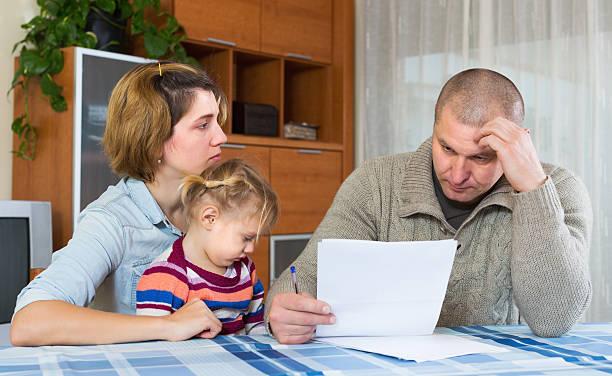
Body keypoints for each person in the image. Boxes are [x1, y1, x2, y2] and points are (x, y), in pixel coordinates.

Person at [265, 68, 593, 344]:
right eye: (447, 148)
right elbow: (300, 280)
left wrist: (533, 189)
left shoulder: (559, 190)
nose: (459, 173)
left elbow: (554, 320)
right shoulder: (375, 182)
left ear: (517, 143)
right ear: (434, 128)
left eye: (481, 157)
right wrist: (283, 313)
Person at [10, 62, 230, 345]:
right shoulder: (111, 220)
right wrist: (166, 326)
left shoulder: (217, 205)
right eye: (203, 125)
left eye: (217, 122)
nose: (221, 137)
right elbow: (30, 322)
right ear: (153, 140)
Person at [136, 158, 278, 336]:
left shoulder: (245, 270)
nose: (250, 249)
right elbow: (151, 340)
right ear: (210, 218)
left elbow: (255, 326)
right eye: (246, 238)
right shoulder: (165, 277)